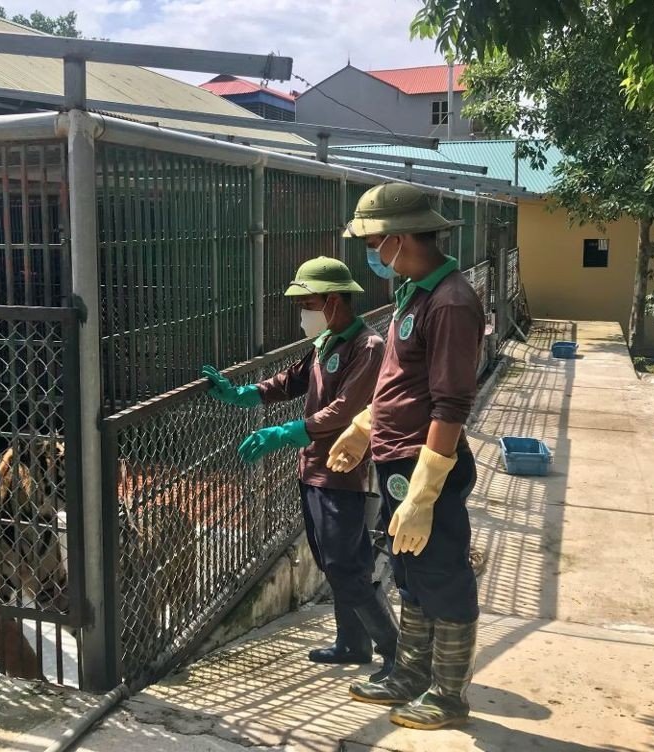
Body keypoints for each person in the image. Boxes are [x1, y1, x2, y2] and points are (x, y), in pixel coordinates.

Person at [327, 183, 485, 730]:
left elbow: (449, 404)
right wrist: (364, 425)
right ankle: (413, 675)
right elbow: (401, 384)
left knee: (443, 571)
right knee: (410, 571)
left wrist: (423, 492)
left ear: (396, 239)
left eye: (372, 241)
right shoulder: (415, 294)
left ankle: (448, 693)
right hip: (398, 460)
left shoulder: (452, 302)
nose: (370, 253)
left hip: (427, 465)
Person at [201, 256, 398, 681]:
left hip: (345, 472)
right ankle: (352, 642)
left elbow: (345, 409)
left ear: (331, 300)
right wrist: (242, 393)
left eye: (305, 304)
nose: (301, 314)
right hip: (313, 469)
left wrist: (287, 432)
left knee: (348, 565)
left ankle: (393, 651)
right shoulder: (326, 342)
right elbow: (291, 381)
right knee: (333, 562)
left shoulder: (368, 347)